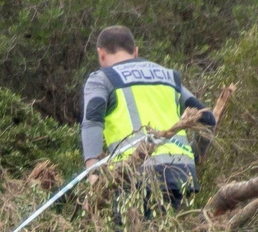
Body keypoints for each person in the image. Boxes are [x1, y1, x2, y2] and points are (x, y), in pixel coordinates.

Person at [81, 25, 216, 216]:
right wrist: (194, 155)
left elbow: (92, 121)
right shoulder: (169, 77)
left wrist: (93, 174)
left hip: (133, 175)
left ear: (101, 54)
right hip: (179, 174)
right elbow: (208, 119)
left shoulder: (102, 79)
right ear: (135, 52)